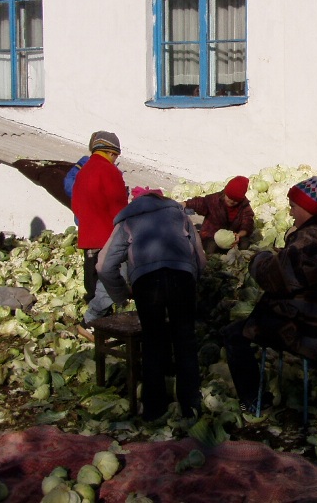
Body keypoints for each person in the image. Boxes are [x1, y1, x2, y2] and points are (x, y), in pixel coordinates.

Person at [222, 176, 317, 413]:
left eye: (294, 206)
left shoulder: (306, 241)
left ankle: (252, 401)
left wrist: (260, 258)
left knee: (234, 334)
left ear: (307, 208)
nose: (291, 212)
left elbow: (272, 278)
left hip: (314, 334)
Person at [97, 187, 207, 421]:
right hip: (182, 278)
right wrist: (193, 280)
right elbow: (200, 256)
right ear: (162, 199)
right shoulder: (179, 215)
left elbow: (104, 266)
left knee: (153, 341)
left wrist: (121, 294)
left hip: (147, 284)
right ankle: (190, 406)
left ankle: (154, 408)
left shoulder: (128, 221)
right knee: (185, 339)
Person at [71, 131, 128, 333]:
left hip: (88, 238)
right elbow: (119, 208)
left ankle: (96, 329)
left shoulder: (83, 171)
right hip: (108, 238)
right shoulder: (110, 172)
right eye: (115, 156)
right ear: (111, 152)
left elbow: (75, 205)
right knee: (111, 282)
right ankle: (92, 325)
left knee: (94, 283)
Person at [181, 176, 255, 254]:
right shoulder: (215, 200)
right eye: (229, 197)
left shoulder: (244, 207)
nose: (232, 201)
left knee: (245, 244)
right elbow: (200, 203)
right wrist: (184, 204)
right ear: (226, 193)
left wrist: (239, 235)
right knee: (211, 248)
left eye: (236, 200)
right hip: (211, 235)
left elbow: (247, 223)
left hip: (232, 238)